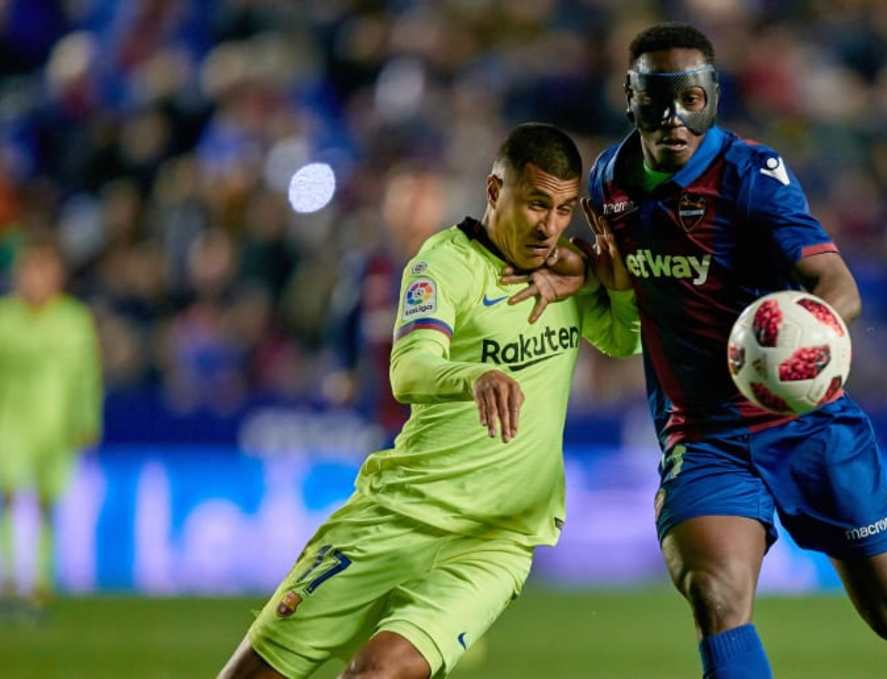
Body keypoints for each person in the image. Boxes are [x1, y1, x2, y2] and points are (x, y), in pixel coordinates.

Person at [523, 23, 887, 678]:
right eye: (656, 100)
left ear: (712, 97)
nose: (674, 119)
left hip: (807, 424)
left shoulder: (751, 177)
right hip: (703, 433)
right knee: (716, 597)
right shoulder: (608, 183)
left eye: (690, 100)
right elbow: (622, 288)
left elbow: (837, 285)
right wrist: (593, 274)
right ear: (629, 98)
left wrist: (804, 333)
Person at [217, 122, 640, 679]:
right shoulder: (443, 264)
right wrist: (474, 375)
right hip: (401, 515)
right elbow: (409, 369)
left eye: (563, 210)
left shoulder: (563, 273)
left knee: (376, 673)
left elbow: (622, 340)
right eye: (537, 204)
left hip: (497, 540)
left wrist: (618, 287)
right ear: (495, 191)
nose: (550, 226)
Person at [0, 235, 102, 604]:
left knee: (46, 504)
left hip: (56, 426)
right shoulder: (6, 319)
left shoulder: (74, 321)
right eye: (29, 271)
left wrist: (87, 420)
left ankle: (40, 580)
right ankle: (9, 577)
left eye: (44, 271)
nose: (36, 279)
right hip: (11, 422)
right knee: (11, 495)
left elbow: (87, 376)